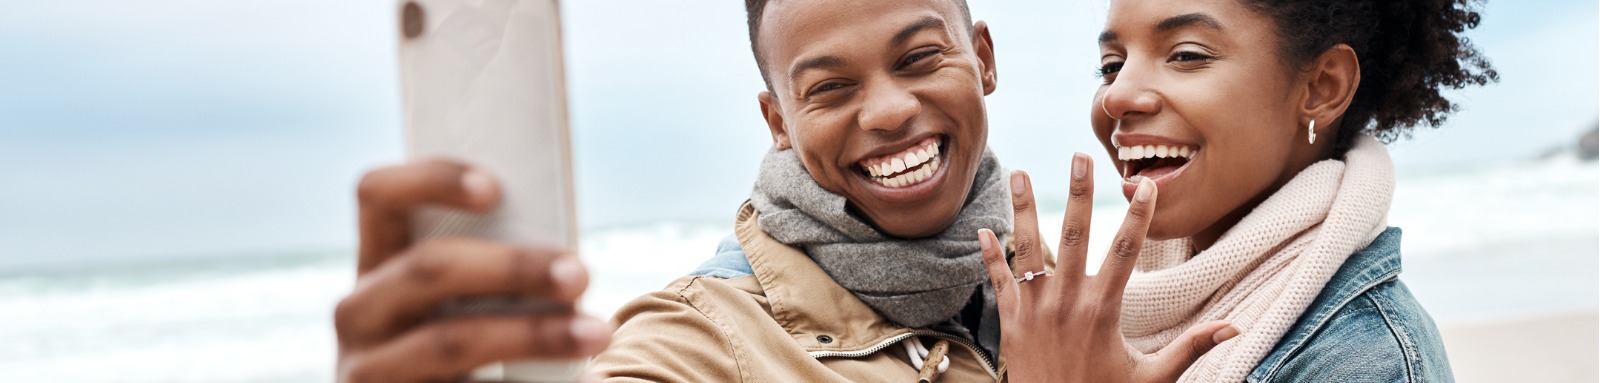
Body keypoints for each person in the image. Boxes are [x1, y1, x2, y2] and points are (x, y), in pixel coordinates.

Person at [334, 0, 1236, 382]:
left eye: (921, 57)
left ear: (984, 61)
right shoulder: (700, 339)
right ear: (777, 119)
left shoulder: (1070, 291)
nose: (888, 111)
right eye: (829, 88)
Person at [989, 0, 1496, 381]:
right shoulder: (1093, 327)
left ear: (1322, 87)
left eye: (1185, 55)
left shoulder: (1366, 363)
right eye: (1111, 65)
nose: (1117, 95)